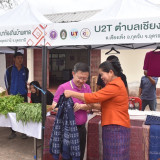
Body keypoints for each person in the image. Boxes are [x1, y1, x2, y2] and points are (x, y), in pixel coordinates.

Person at [64, 61, 130, 160]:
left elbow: (94, 96)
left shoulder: (115, 86)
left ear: (111, 72)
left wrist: (72, 93)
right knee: (110, 155)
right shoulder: (114, 85)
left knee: (114, 156)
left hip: (116, 126)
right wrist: (88, 106)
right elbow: (103, 106)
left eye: (102, 74)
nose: (101, 77)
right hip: (113, 125)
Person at [51, 62, 92, 160]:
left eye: (85, 78)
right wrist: (68, 108)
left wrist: (81, 106)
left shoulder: (87, 87)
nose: (82, 81)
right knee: (67, 156)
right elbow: (54, 106)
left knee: (79, 155)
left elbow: (90, 105)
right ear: (73, 74)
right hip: (67, 130)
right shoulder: (64, 87)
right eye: (79, 77)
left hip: (81, 128)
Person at [4, 51, 29, 139]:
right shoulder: (9, 70)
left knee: (23, 113)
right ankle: (13, 131)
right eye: (18, 58)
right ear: (14, 59)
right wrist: (8, 94)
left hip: (23, 94)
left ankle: (23, 132)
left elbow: (25, 80)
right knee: (12, 113)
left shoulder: (26, 70)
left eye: (21, 58)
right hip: (12, 95)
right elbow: (6, 82)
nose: (20, 60)